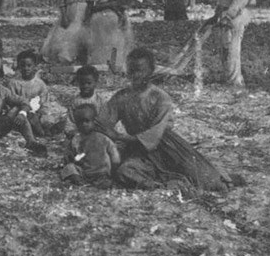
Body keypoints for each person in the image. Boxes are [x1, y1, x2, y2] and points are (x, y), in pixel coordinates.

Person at [97, 47, 231, 192]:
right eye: (131, 70)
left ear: (151, 71)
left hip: (167, 149)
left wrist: (118, 136)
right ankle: (159, 185)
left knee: (210, 182)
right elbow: (103, 121)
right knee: (123, 171)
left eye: (140, 70)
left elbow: (153, 137)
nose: (135, 75)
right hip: (137, 149)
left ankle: (175, 180)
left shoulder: (160, 98)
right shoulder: (122, 97)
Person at [207, 0, 253, 87]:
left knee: (233, 49)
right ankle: (229, 78)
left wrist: (228, 15)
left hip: (236, 16)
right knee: (224, 48)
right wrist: (217, 14)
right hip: (224, 14)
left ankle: (235, 82)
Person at [41, 0, 93, 64]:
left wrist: (88, 15)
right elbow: (62, 3)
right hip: (71, 12)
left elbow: (91, 1)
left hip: (84, 12)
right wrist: (64, 17)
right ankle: (67, 57)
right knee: (68, 34)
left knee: (83, 34)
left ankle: (82, 57)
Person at [87, 0, 134, 73]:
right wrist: (108, 5)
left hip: (116, 18)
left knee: (118, 41)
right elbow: (92, 7)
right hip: (101, 19)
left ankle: (117, 64)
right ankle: (102, 64)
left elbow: (123, 0)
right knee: (103, 42)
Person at [61, 102, 121, 188]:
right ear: (76, 124)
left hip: (101, 173)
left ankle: (103, 182)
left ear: (94, 121)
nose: (84, 124)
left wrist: (113, 171)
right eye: (80, 122)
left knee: (106, 181)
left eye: (87, 121)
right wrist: (73, 158)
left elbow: (115, 158)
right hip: (84, 172)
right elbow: (72, 156)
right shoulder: (76, 139)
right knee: (69, 168)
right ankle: (79, 181)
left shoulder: (103, 139)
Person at [7, 49, 65, 136]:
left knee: (48, 118)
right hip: (19, 111)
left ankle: (43, 129)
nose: (26, 68)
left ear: (35, 66)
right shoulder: (14, 83)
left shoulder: (39, 84)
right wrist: (23, 110)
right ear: (18, 66)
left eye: (29, 65)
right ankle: (38, 131)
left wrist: (38, 111)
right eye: (23, 65)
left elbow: (44, 102)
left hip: (36, 112)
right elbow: (11, 99)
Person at [65, 65, 106, 137]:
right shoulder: (75, 102)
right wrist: (72, 131)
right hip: (79, 133)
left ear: (95, 82)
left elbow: (103, 120)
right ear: (78, 83)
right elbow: (70, 121)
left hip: (96, 133)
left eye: (89, 83)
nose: (85, 86)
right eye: (82, 83)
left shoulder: (100, 101)